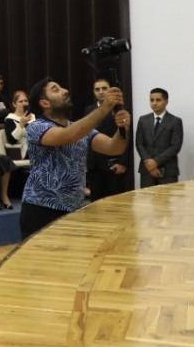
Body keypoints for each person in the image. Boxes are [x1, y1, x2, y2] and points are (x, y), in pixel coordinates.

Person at [20, 77, 131, 240]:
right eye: (56, 89)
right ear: (45, 103)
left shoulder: (79, 128)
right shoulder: (36, 127)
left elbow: (114, 148)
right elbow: (68, 136)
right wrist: (105, 108)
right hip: (40, 209)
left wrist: (123, 129)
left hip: (73, 209)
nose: (65, 91)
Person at [134, 87, 182, 186]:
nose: (154, 103)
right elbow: (139, 143)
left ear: (166, 102)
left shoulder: (175, 121)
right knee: (147, 200)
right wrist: (149, 163)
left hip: (168, 170)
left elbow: (175, 146)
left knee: (167, 200)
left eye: (158, 100)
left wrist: (155, 162)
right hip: (146, 170)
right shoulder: (143, 120)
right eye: (152, 100)